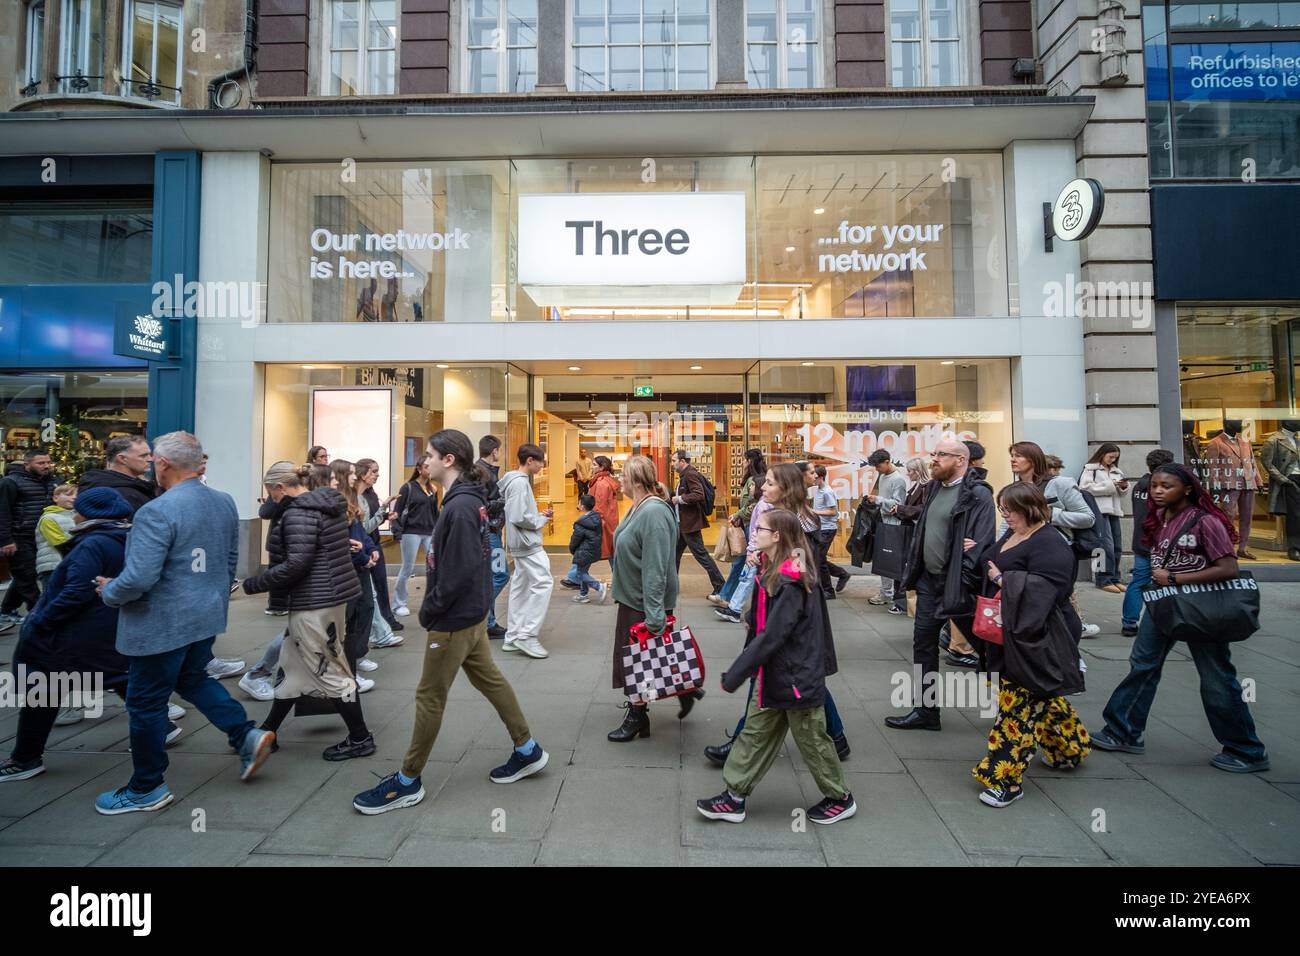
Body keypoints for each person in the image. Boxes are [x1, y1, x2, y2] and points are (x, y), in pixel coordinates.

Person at [353, 430, 550, 814]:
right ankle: (527, 749)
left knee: (430, 696)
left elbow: (457, 571)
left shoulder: (459, 507)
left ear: (448, 460)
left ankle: (408, 781)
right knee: (491, 681)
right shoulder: (465, 501)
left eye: (429, 454)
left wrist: (431, 610)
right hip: (471, 614)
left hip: (454, 618)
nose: (423, 460)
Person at [95, 432, 274, 814]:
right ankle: (244, 734)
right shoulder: (223, 501)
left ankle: (146, 786)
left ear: (163, 464)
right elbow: (229, 561)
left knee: (145, 704)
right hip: (204, 613)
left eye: (152, 460)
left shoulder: (156, 511)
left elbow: (140, 578)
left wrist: (110, 592)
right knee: (193, 678)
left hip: (161, 623)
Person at [1092, 463, 1270, 773]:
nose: (1157, 491)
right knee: (1143, 664)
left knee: (1216, 676)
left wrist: (1175, 578)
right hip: (1164, 604)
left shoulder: (1207, 522)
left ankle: (1246, 749)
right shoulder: (1161, 518)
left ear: (1187, 489)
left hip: (1201, 608)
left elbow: (1228, 568)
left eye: (1166, 486)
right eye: (1155, 486)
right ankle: (1124, 731)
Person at [697, 508, 856, 826]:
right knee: (755, 734)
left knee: (812, 740)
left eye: (761, 529)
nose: (754, 531)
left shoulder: (791, 577)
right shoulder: (779, 569)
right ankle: (734, 797)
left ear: (777, 536)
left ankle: (840, 798)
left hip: (794, 676)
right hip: (776, 673)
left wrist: (737, 673)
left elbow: (774, 634)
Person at [705, 463, 850, 765]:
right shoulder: (777, 515)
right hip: (772, 606)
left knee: (775, 671)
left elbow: (798, 570)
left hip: (787, 612)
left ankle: (742, 744)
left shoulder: (797, 523)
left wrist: (768, 562)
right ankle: (837, 737)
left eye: (770, 483)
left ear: (785, 488)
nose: (763, 488)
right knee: (803, 677)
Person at [1, 488, 143, 781]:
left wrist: (40, 620)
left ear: (89, 515)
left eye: (78, 509)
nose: (74, 513)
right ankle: (160, 725)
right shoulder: (126, 537)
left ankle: (26, 758)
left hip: (72, 631)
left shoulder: (92, 543)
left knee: (42, 687)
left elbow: (76, 590)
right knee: (115, 678)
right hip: (103, 626)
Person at [241, 461, 375, 761]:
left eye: (269, 493)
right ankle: (268, 731)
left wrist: (254, 583)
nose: (270, 500)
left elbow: (296, 564)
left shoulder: (299, 513)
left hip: (313, 602)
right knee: (294, 666)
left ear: (279, 487)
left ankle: (360, 737)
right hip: (332, 598)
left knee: (330, 671)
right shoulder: (325, 506)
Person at [971, 482, 1090, 807]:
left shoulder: (1051, 543)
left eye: (1010, 509)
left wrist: (1001, 580)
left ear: (1031, 508)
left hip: (1042, 635)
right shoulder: (1013, 533)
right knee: (1042, 695)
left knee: (1017, 710)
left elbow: (1051, 589)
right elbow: (991, 560)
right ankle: (1071, 748)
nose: (1005, 514)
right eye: (1003, 508)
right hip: (1011, 633)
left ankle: (1003, 780)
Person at [886, 438, 995, 732]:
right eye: (933, 454)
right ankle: (926, 711)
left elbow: (982, 541)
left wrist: (965, 575)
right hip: (928, 582)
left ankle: (1009, 708)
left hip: (959, 584)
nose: (933, 459)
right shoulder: (934, 487)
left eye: (941, 455)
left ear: (961, 460)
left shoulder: (978, 494)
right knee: (923, 645)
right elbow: (925, 528)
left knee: (988, 649)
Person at [607, 455, 703, 741]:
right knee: (645, 658)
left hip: (643, 602)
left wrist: (654, 616)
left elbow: (656, 569)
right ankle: (683, 689)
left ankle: (637, 717)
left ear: (636, 480)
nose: (619, 480)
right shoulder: (638, 507)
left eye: (622, 475)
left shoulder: (654, 514)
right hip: (633, 598)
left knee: (638, 661)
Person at [1009, 442, 1101, 639]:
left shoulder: (1060, 484)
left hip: (1056, 553)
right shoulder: (1014, 488)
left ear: (1033, 460)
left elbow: (1087, 518)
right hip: (1024, 553)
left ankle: (1069, 648)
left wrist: (1052, 514)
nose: (1012, 459)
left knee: (1058, 602)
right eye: (1012, 455)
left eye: (1018, 456)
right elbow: (1008, 524)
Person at [499, 443, 554, 659]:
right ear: (530, 460)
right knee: (543, 582)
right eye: (540, 461)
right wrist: (540, 518)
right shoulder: (520, 483)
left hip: (519, 542)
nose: (542, 466)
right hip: (527, 543)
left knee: (520, 587)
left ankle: (513, 636)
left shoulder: (513, 482)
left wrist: (538, 515)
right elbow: (519, 516)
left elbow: (518, 514)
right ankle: (527, 635)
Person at [336, 459, 383, 687]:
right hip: (348, 568)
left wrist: (371, 550)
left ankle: (355, 659)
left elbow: (360, 534)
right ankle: (349, 668)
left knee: (365, 608)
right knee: (349, 617)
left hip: (360, 564)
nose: (356, 477)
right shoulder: (336, 503)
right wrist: (364, 556)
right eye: (352, 473)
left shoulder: (353, 499)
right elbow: (347, 539)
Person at [0, 450, 56, 630]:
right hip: (19, 536)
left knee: (24, 576)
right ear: (27, 464)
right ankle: (39, 614)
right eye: (41, 463)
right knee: (28, 576)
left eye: (48, 462)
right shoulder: (10, 482)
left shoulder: (53, 481)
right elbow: (3, 512)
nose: (46, 466)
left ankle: (7, 609)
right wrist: (5, 540)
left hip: (41, 536)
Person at [1121, 449, 1174, 637]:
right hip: (1161, 543)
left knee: (1138, 582)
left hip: (1141, 542)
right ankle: (1167, 621)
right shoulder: (1163, 488)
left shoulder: (1140, 485)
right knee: (1166, 582)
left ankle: (1129, 623)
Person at [712, 449, 766, 609]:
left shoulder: (753, 481)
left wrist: (738, 515)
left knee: (747, 564)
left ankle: (730, 598)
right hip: (748, 524)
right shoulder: (754, 479)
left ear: (749, 461)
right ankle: (726, 595)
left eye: (744, 460)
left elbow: (753, 505)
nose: (741, 463)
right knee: (742, 563)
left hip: (751, 526)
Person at [355, 458, 403, 633]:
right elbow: (365, 526)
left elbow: (371, 520)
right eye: (373, 471)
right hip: (364, 547)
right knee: (370, 592)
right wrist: (383, 509)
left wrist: (385, 514)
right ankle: (378, 628)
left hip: (373, 543)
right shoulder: (357, 497)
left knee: (380, 584)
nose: (377, 475)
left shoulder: (370, 493)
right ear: (363, 474)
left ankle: (386, 620)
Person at [670, 450, 726, 600]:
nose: (672, 463)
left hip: (690, 524)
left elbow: (698, 494)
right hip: (683, 524)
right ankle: (671, 586)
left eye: (674, 460)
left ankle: (720, 586)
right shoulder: (685, 475)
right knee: (674, 555)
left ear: (683, 461)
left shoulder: (690, 474)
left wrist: (679, 499)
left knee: (702, 556)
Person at [392, 454, 439, 618]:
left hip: (429, 532)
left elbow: (435, 513)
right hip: (411, 532)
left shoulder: (432, 488)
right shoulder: (408, 487)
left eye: (430, 466)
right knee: (407, 567)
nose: (429, 469)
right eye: (426, 466)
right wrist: (397, 532)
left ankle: (433, 602)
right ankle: (399, 603)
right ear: (419, 469)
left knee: (434, 566)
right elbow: (397, 511)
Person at [1080, 442, 1128, 592]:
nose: (1112, 460)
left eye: (1115, 457)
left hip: (1114, 511)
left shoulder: (1117, 471)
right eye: (1110, 456)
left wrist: (1123, 487)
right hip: (1098, 511)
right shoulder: (1090, 469)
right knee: (1102, 546)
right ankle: (1102, 579)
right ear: (1102, 454)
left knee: (1117, 546)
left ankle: (1114, 577)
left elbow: (1121, 493)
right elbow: (1085, 488)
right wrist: (1110, 485)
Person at [476, 435, 510, 638]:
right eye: (500, 450)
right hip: (489, 532)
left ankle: (489, 622)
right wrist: (502, 500)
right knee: (501, 574)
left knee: (492, 576)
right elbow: (481, 504)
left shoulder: (486, 471)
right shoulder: (482, 473)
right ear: (494, 451)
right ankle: (479, 611)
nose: (501, 453)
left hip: (492, 530)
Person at [865, 450, 907, 607]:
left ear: (888, 461)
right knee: (883, 559)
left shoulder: (898, 480)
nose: (877, 469)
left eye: (878, 465)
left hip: (893, 524)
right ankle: (887, 592)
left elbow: (898, 505)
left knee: (889, 560)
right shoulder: (883, 476)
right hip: (883, 521)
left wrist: (878, 500)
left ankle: (889, 593)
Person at [77, 435, 157, 514]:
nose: (150, 459)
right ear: (122, 459)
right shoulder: (122, 495)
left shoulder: (98, 484)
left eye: (149, 454)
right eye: (143, 456)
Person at [810, 464, 852, 598]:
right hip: (820, 528)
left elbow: (834, 511)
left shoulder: (827, 492)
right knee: (818, 558)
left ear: (820, 477)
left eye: (814, 476)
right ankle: (842, 574)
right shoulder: (818, 490)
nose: (812, 478)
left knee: (819, 559)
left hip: (827, 529)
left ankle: (829, 590)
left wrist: (815, 512)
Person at [35, 484, 77, 592]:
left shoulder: (77, 516)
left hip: (68, 563)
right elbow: (60, 543)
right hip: (52, 565)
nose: (74, 497)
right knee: (51, 597)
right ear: (55, 498)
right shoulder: (48, 518)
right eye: (69, 494)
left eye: (77, 495)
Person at [568, 494, 608, 604]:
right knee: (583, 571)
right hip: (593, 550)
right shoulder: (596, 518)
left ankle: (599, 586)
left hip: (584, 551)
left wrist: (572, 549)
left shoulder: (581, 522)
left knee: (580, 574)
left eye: (579, 503)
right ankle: (583, 595)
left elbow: (575, 539)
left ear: (582, 506)